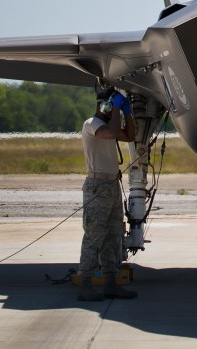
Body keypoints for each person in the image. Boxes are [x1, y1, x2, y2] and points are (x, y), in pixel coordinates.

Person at [77, 88, 138, 301]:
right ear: (102, 106)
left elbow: (130, 135)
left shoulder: (108, 124)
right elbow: (111, 133)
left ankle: (110, 282)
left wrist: (127, 113)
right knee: (94, 235)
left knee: (113, 235)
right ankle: (85, 282)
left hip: (111, 184)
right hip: (97, 184)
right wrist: (115, 111)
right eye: (110, 106)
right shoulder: (91, 124)